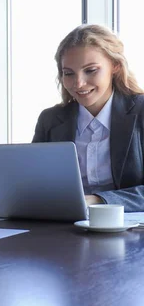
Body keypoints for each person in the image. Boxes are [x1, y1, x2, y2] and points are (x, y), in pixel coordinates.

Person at [33, 24, 144, 212]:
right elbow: (30, 183)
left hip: (131, 234)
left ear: (115, 66)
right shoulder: (50, 120)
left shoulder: (140, 112)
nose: (79, 83)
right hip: (65, 229)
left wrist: (96, 200)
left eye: (90, 70)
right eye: (69, 73)